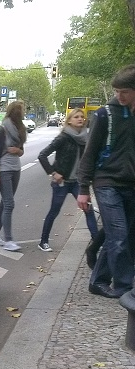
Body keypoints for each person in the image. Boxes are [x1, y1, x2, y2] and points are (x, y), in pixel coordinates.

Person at [77, 64, 135, 298]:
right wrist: (83, 189)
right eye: (116, 91)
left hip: (130, 184)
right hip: (106, 182)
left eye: (125, 92)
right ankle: (125, 289)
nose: (119, 96)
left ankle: (98, 281)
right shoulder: (104, 115)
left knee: (123, 236)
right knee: (119, 235)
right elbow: (89, 153)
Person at [36, 108, 99, 252]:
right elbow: (42, 155)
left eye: (82, 116)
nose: (80, 119)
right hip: (62, 182)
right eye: (76, 117)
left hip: (78, 182)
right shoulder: (63, 137)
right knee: (54, 211)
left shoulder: (86, 137)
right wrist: (53, 173)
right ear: (69, 120)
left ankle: (96, 243)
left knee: (88, 210)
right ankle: (43, 241)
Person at [0, 100, 27, 251]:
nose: (22, 112)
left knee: (5, 204)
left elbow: (22, 151)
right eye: (20, 110)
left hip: (16, 168)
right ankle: (8, 240)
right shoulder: (3, 129)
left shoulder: (20, 129)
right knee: (9, 204)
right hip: (4, 169)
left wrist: (18, 151)